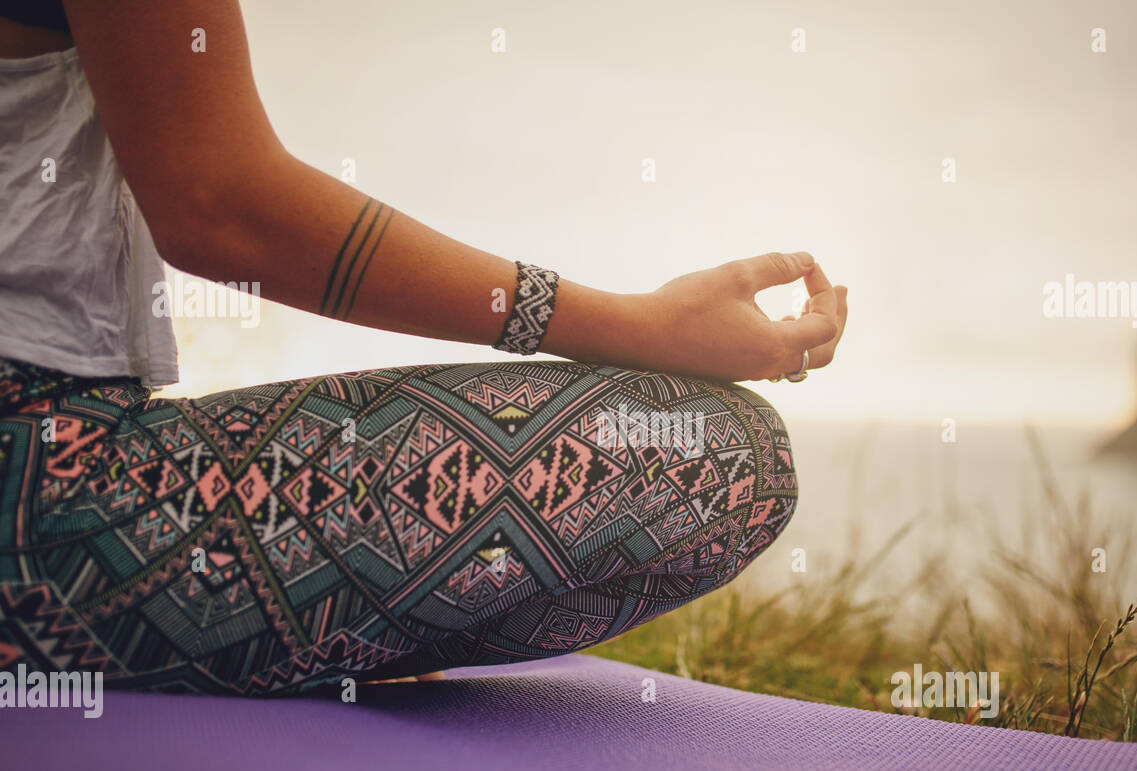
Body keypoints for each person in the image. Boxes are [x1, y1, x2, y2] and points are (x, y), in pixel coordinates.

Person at [0, 0, 848, 694]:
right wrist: (635, 327)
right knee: (721, 456)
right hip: (37, 477)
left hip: (59, 443)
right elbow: (220, 205)